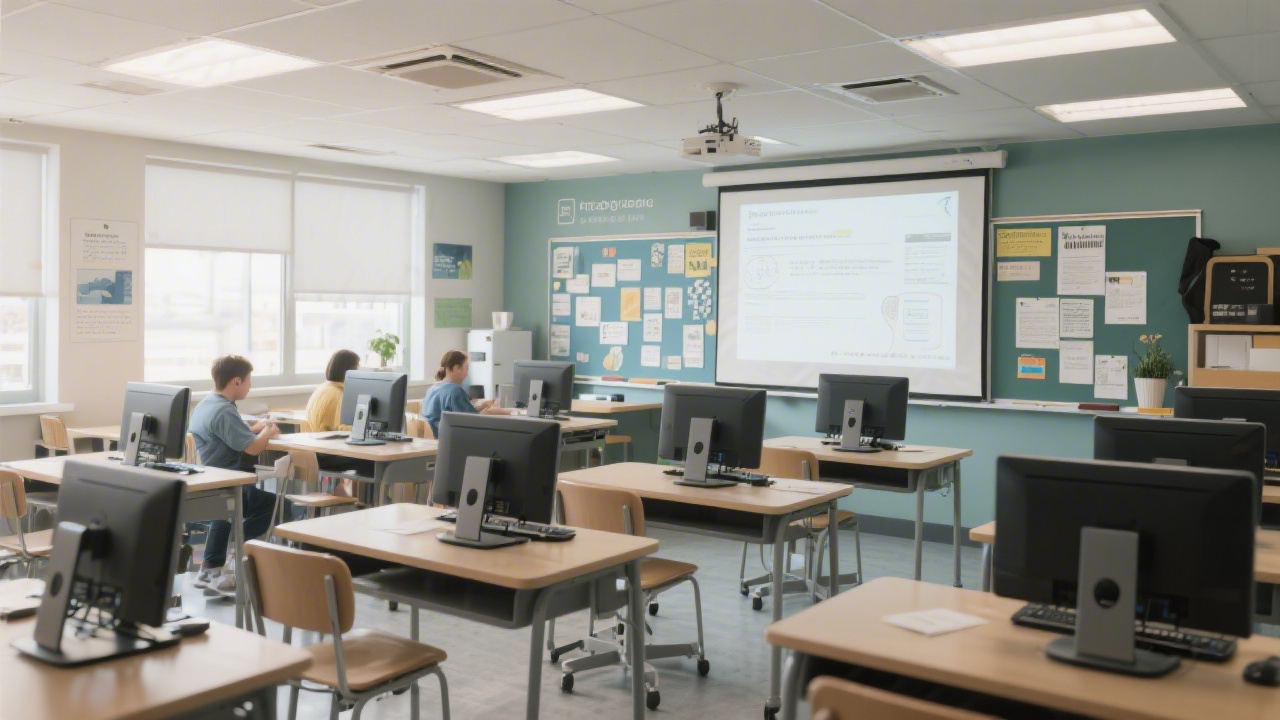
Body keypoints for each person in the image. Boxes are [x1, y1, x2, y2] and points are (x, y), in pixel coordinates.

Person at [188, 355, 281, 595]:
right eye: (249, 381)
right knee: (276, 505)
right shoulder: (224, 411)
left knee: (235, 511)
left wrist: (256, 428)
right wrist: (269, 431)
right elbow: (252, 448)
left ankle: (213, 566)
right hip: (227, 481)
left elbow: (234, 434)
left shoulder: (207, 404)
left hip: (211, 477)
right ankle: (234, 547)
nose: (250, 386)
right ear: (237, 381)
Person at [422, 350, 508, 437]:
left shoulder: (433, 389)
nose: (467, 374)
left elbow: (458, 413)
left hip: (436, 438)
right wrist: (491, 413)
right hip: (449, 439)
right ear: (456, 368)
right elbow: (472, 421)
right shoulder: (454, 391)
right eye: (466, 368)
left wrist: (483, 406)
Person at [305, 349, 360, 432]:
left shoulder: (322, 388)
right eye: (357, 368)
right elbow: (339, 430)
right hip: (328, 442)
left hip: (315, 439)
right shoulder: (339, 395)